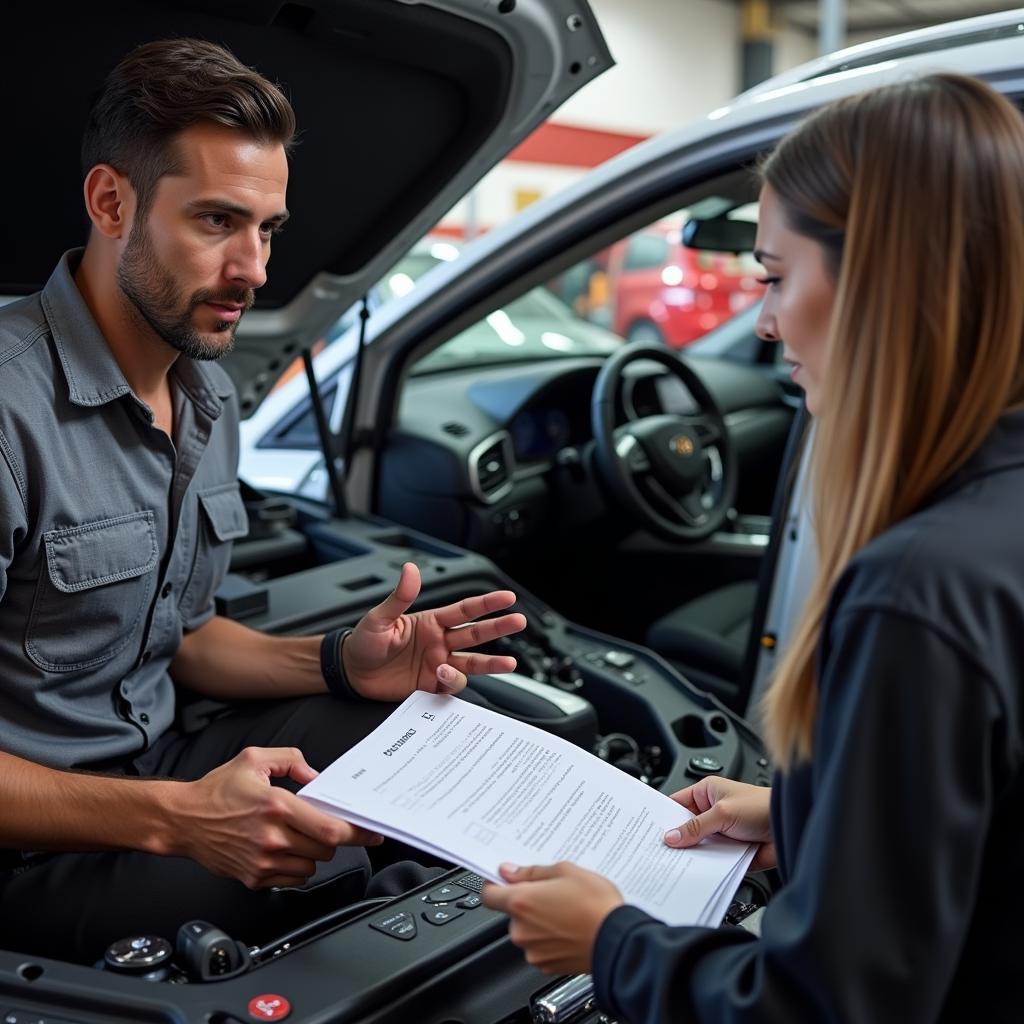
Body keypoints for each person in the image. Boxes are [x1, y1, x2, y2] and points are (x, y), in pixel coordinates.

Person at [483, 72, 1024, 1022]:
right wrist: (811, 820)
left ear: (883, 281)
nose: (766, 322)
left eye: (775, 278)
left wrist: (610, 944)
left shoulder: (916, 589)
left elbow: (826, 1005)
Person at [0, 38, 526, 963]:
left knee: (436, 742)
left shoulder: (208, 394)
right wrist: (182, 820)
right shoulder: (8, 410)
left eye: (269, 228)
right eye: (216, 221)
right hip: (34, 849)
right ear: (111, 202)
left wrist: (341, 664)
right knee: (327, 880)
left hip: (159, 768)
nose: (256, 269)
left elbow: (181, 635)